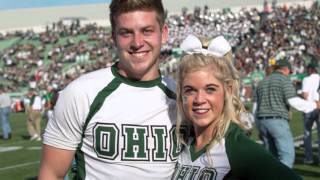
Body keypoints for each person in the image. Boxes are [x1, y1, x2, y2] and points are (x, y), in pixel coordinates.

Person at [39, 0, 178, 179]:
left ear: (164, 33)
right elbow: (51, 174)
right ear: (113, 37)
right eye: (126, 33)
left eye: (147, 31)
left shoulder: (184, 98)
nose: (137, 42)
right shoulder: (81, 93)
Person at [172, 34, 302, 180]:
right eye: (190, 90)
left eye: (210, 89)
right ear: (181, 93)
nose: (199, 99)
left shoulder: (238, 148)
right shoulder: (181, 144)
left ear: (228, 90)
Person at [255, 58, 320, 168]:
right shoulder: (284, 80)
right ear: (285, 69)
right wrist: (315, 105)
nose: (289, 74)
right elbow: (293, 101)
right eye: (289, 72)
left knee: (271, 157)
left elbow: (257, 106)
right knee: (287, 156)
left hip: (261, 121)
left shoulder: (263, 82)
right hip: (277, 120)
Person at [301, 62, 320, 165]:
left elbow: (305, 94)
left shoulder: (306, 79)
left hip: (309, 108)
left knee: (307, 134)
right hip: (319, 107)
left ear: (310, 69)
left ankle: (309, 158)